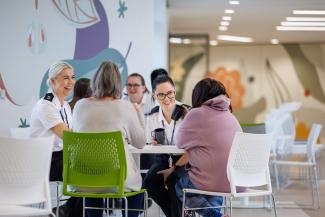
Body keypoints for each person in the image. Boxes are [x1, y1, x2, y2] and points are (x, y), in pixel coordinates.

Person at [72, 61, 146, 217]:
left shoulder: (79, 106)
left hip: (83, 178)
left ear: (95, 80)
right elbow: (140, 143)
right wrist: (138, 112)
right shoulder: (125, 106)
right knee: (139, 188)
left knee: (94, 183)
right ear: (118, 83)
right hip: (116, 180)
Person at [175, 78, 242, 217]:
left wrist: (188, 118)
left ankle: (214, 215)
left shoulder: (197, 113)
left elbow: (179, 142)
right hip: (236, 181)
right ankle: (216, 213)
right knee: (211, 183)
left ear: (198, 96)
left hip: (213, 182)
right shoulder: (230, 116)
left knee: (180, 185)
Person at [30, 61, 81, 217]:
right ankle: (70, 210)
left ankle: (69, 208)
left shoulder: (65, 105)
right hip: (44, 161)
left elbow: (73, 134)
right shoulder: (45, 105)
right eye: (65, 78)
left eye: (72, 77)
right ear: (52, 80)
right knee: (87, 170)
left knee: (90, 168)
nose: (71, 82)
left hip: (60, 156)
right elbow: (68, 135)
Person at [143, 74, 189, 217]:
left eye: (170, 93)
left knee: (174, 181)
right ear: (154, 95)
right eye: (161, 95)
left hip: (183, 160)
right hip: (163, 158)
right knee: (150, 182)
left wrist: (174, 167)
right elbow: (147, 143)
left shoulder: (187, 113)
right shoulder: (152, 116)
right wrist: (152, 143)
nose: (166, 98)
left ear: (174, 91)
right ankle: (178, 214)